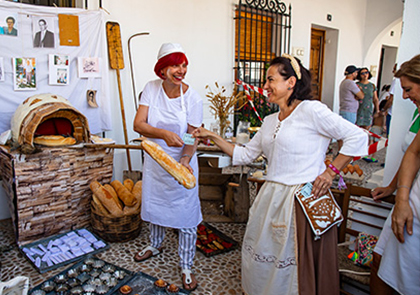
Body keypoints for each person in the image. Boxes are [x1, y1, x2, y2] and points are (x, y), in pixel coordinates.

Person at [193, 55, 368, 295]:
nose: (264, 86)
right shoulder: (268, 121)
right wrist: (212, 136)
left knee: (293, 266)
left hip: (301, 200)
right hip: (271, 198)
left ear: (291, 82)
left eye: (270, 79)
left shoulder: (311, 110)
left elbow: (357, 136)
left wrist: (330, 172)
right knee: (263, 260)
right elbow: (245, 155)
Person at [132, 43, 202, 291]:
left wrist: (184, 160)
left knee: (186, 214)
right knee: (157, 205)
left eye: (183, 65)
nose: (180, 70)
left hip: (182, 161)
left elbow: (194, 135)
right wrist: (164, 134)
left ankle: (186, 266)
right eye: (175, 65)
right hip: (156, 158)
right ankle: (155, 244)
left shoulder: (192, 97)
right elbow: (138, 124)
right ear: (162, 69)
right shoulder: (151, 89)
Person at [370, 54, 420, 295]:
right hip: (407, 199)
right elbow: (412, 155)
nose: (404, 96)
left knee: (403, 279)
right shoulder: (418, 114)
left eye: (409, 89)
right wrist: (393, 188)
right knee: (379, 260)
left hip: (412, 207)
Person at [355, 67, 380, 162]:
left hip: (368, 110)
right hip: (359, 109)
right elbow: (355, 97)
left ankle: (365, 152)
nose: (365, 74)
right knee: (357, 131)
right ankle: (356, 151)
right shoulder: (357, 85)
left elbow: (375, 98)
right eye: (362, 73)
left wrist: (377, 110)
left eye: (366, 72)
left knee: (367, 132)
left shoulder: (372, 86)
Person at [338, 65, 364, 150]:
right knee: (348, 134)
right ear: (353, 74)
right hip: (349, 111)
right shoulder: (350, 83)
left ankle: (341, 150)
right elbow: (361, 96)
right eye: (356, 72)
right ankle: (346, 152)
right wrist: (359, 89)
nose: (357, 74)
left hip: (345, 109)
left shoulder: (344, 82)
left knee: (343, 132)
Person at [382, 64, 398, 137]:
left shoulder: (396, 81)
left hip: (392, 113)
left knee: (389, 135)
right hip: (397, 113)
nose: (393, 71)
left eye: (394, 69)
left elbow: (391, 99)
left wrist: (384, 109)